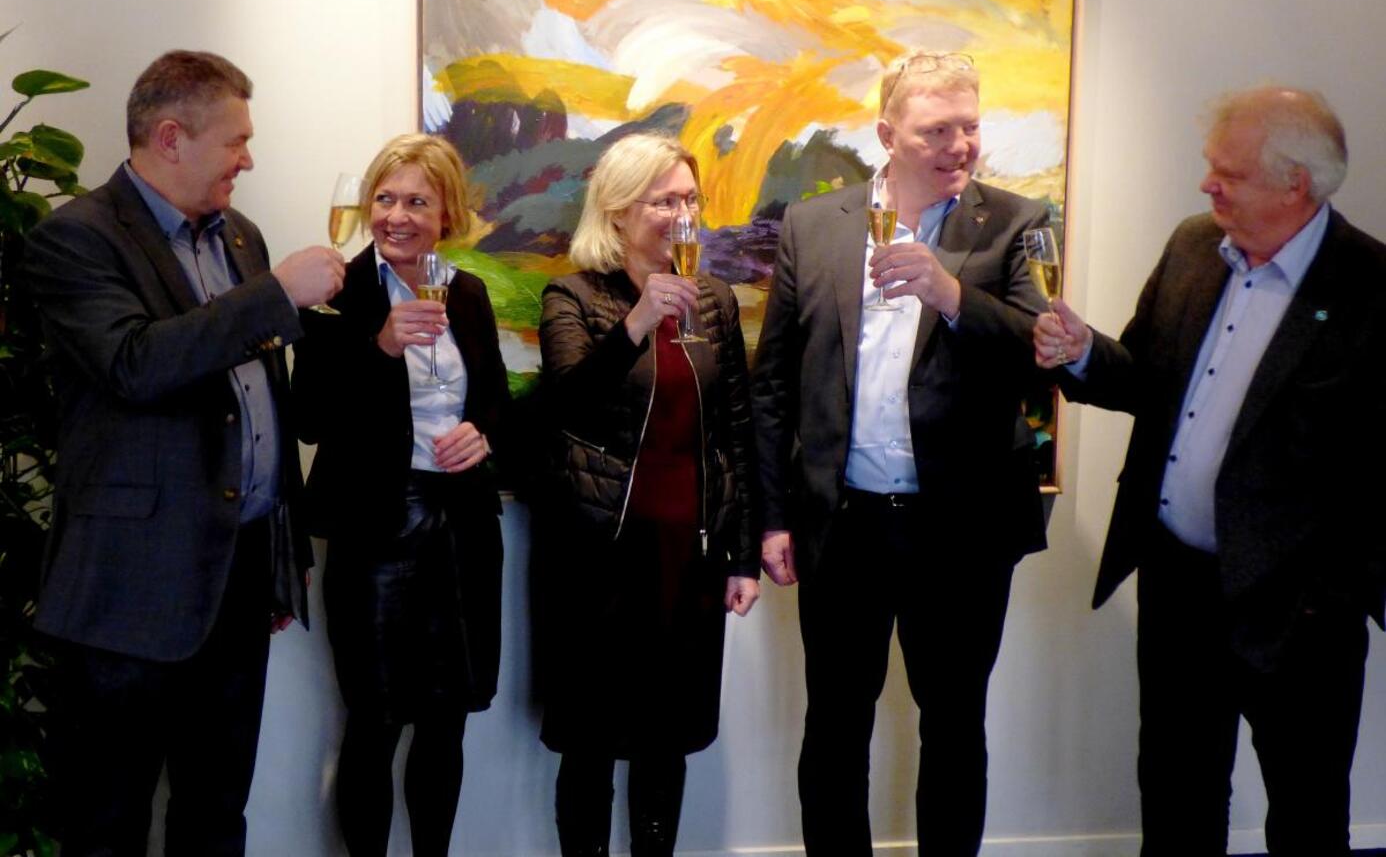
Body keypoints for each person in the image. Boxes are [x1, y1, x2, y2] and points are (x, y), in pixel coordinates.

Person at [1035, 86, 1386, 856]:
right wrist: (1084, 354)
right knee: (1176, 797)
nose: (1207, 185)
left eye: (1228, 173)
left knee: (1307, 815)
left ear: (1295, 184)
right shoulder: (1196, 247)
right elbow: (1144, 378)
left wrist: (1338, 590)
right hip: (1178, 587)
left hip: (1299, 614)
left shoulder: (1370, 287)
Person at [22, 50, 344, 856]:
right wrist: (277, 295)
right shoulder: (76, 238)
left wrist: (281, 549)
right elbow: (134, 364)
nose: (248, 159)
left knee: (215, 814)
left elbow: (261, 400)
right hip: (128, 587)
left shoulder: (241, 237)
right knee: (106, 823)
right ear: (171, 137)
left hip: (237, 576)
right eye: (236, 141)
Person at [751, 50, 1050, 856]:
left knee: (953, 726)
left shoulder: (1017, 222)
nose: (960, 145)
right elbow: (774, 382)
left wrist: (951, 295)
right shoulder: (815, 224)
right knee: (834, 726)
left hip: (961, 529)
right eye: (936, 131)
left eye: (970, 126)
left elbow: (1039, 350)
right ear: (887, 136)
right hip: (841, 523)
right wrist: (771, 518)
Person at [537, 132, 760, 857]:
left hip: (688, 555)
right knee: (592, 742)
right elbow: (566, 405)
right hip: (599, 558)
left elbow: (736, 434)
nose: (683, 215)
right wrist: (636, 323)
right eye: (665, 201)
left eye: (691, 200)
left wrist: (742, 556)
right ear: (619, 209)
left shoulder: (715, 301)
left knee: (667, 740)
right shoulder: (573, 296)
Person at [292, 133, 509, 857]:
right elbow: (309, 416)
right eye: (384, 199)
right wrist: (379, 348)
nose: (396, 216)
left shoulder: (467, 293)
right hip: (375, 532)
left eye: (417, 201)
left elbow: (495, 404)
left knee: (447, 721)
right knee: (376, 720)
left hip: (462, 528)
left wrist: (482, 434)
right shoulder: (334, 294)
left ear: (446, 214)